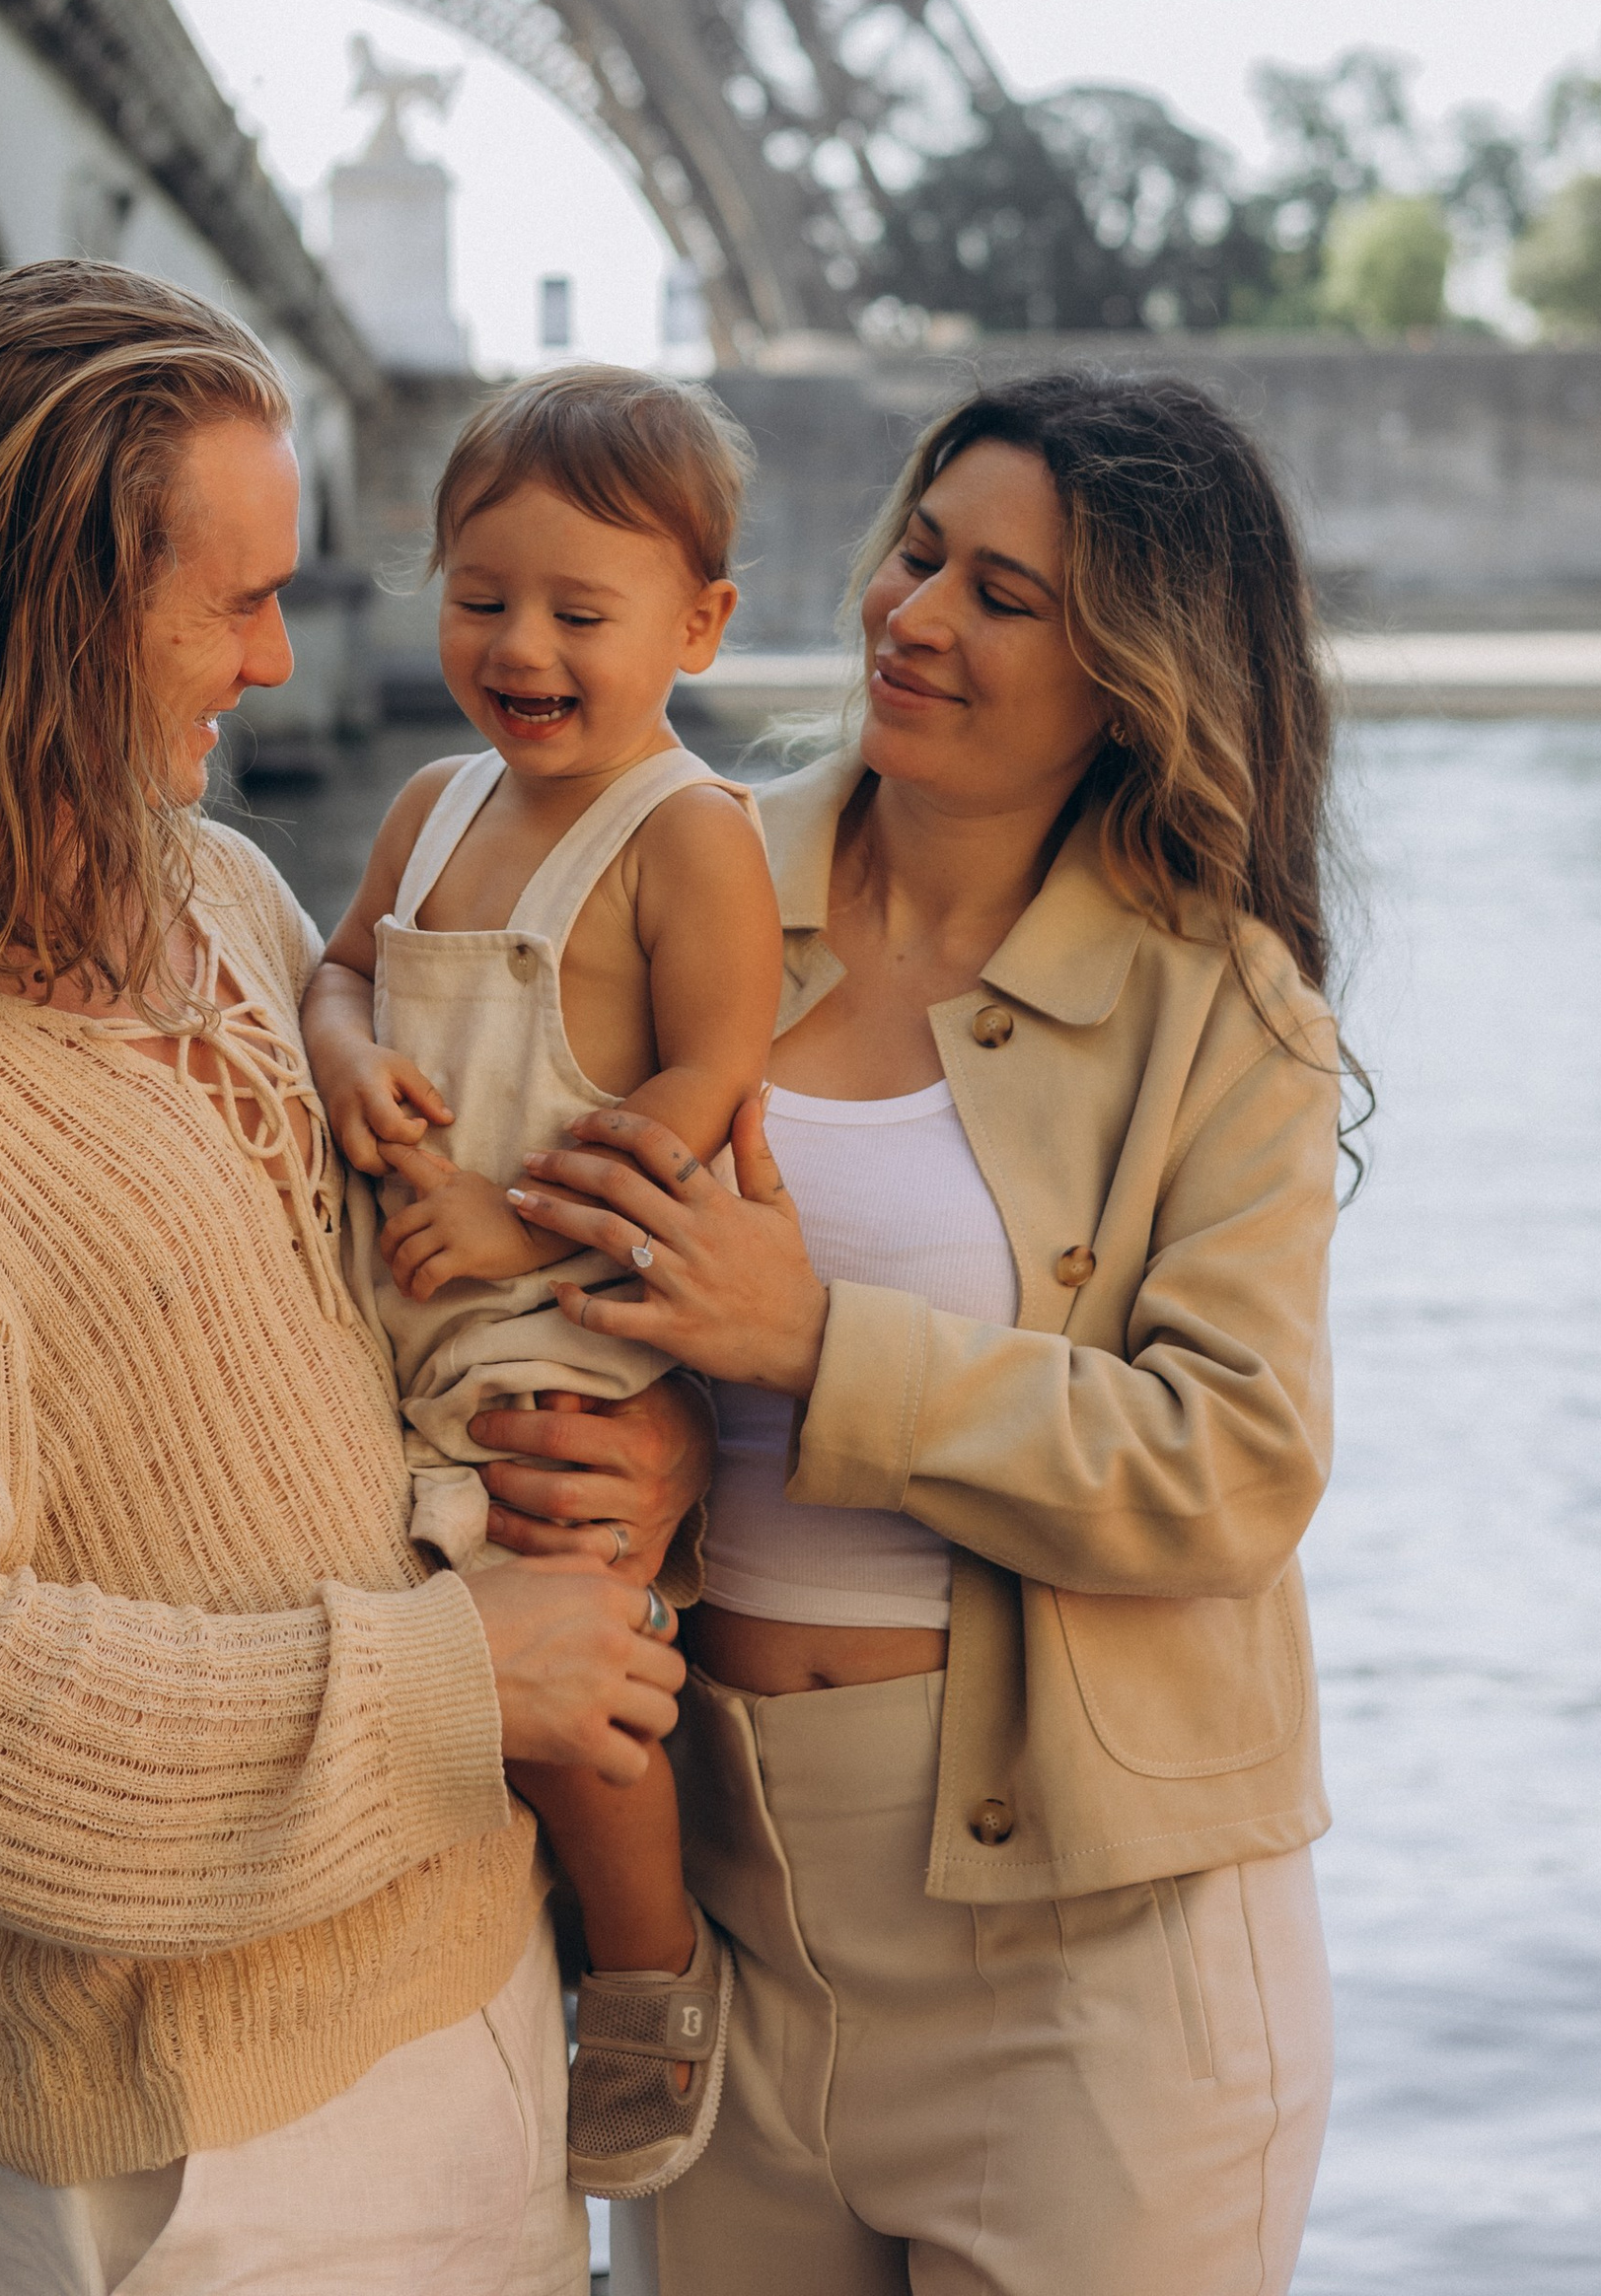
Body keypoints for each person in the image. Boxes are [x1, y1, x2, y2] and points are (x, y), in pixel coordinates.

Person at [0, 265, 713, 2296]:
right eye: (228, 604)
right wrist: (460, 1679)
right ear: (44, 618)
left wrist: (647, 1441)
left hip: (470, 1986)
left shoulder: (221, 897)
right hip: (198, 2152)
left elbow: (400, 1342)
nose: (270, 660)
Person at [507, 371, 1365, 2296]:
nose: (911, 615)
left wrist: (815, 1349)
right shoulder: (662, 881)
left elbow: (1225, 1470)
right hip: (714, 1924)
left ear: (1131, 675)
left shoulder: (1220, 1016)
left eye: (1004, 596)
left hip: (1093, 1967)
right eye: (915, 553)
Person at [305, 370, 784, 2200]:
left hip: (561, 1317)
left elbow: (708, 1084)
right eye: (479, 597)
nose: (523, 646)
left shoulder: (685, 835)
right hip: (400, 1317)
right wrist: (345, 1052)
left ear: (699, 623)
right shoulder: (431, 804)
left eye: (582, 615)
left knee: (573, 1689)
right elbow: (345, 972)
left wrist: (523, 1220)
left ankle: (654, 1975)